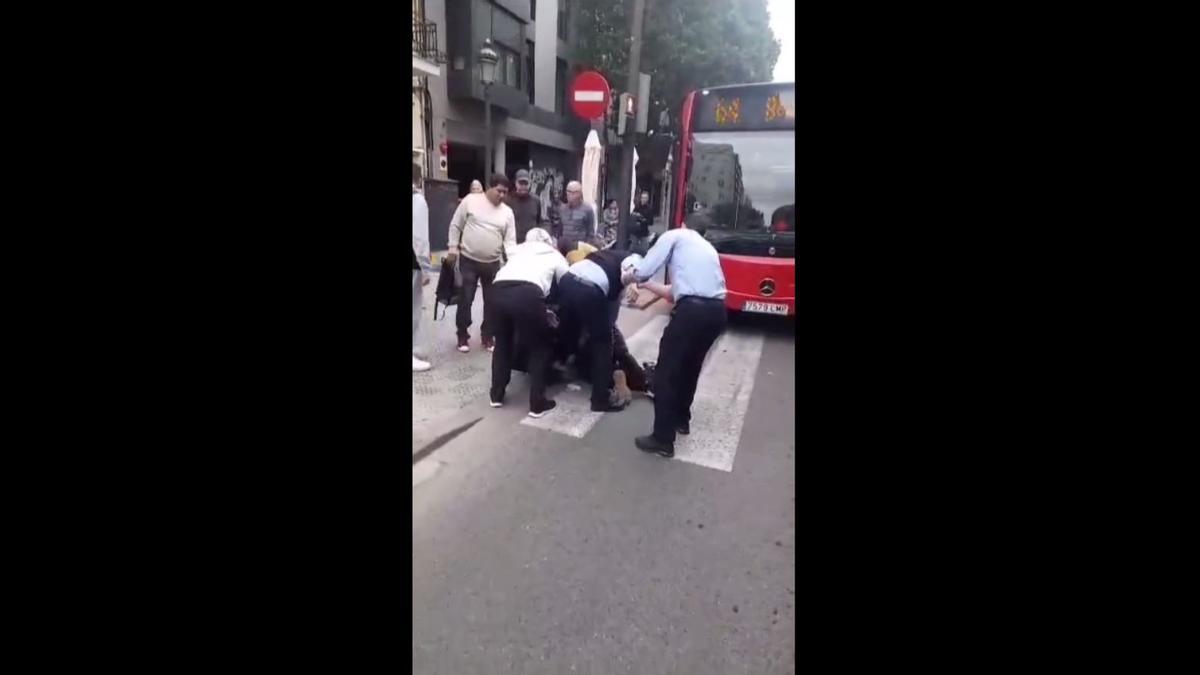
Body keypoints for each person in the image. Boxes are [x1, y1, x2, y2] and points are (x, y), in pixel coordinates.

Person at [622, 213, 727, 458]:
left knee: (667, 373)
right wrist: (646, 285)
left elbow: (644, 269)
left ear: (683, 225)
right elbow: (673, 292)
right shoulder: (707, 249)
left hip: (692, 312)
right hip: (716, 312)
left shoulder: (676, 236)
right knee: (690, 367)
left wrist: (630, 273)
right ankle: (681, 419)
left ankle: (662, 438)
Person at [489, 228, 568, 418]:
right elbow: (566, 281)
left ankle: (496, 395)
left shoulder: (517, 250)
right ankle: (537, 403)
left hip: (497, 291)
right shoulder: (554, 254)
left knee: (503, 343)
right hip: (528, 293)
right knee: (539, 346)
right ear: (550, 241)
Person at [557, 247, 640, 412]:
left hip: (567, 281)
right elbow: (610, 319)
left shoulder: (603, 254)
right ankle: (599, 400)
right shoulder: (634, 261)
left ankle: (561, 362)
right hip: (590, 290)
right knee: (603, 343)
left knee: (570, 326)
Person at [446, 173, 517, 353]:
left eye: (505, 193)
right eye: (499, 191)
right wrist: (453, 247)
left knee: (492, 302)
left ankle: (488, 336)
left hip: (492, 263)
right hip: (468, 260)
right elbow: (456, 225)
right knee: (465, 299)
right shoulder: (471, 201)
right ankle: (462, 335)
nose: (502, 195)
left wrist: (513, 261)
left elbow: (510, 241)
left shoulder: (507, 212)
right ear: (490, 188)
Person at [554, 181, 596, 255]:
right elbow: (559, 231)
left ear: (579, 193)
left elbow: (590, 234)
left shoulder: (587, 209)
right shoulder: (562, 209)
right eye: (568, 191)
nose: (569, 195)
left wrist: (586, 250)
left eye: (573, 192)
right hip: (564, 249)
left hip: (579, 249)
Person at [506, 169, 543, 244]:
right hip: (514, 244)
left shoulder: (536, 200)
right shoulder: (508, 200)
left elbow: (539, 222)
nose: (523, 186)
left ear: (529, 184)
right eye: (520, 183)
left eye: (525, 184)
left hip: (532, 243)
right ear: (515, 183)